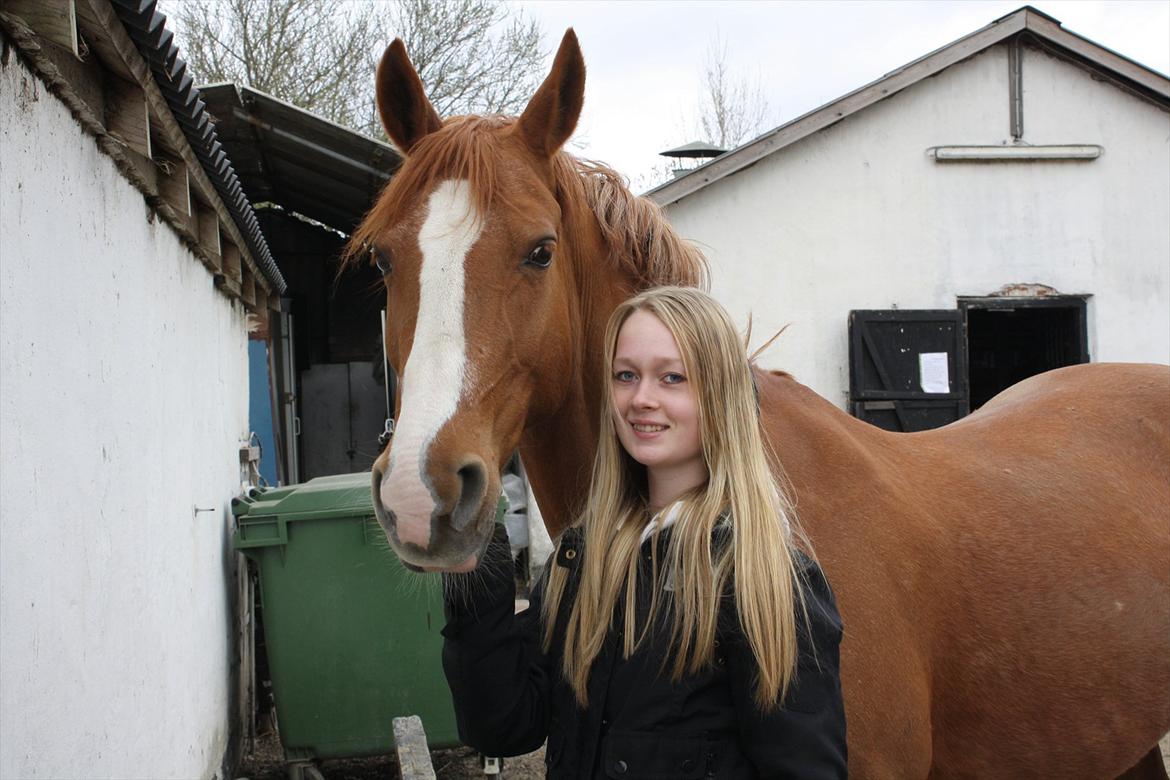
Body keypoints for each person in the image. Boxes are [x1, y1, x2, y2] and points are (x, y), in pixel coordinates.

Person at [440, 286, 847, 779]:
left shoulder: (767, 582)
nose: (641, 399)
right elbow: (505, 729)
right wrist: (474, 566)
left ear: (720, 393)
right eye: (625, 376)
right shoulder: (584, 557)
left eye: (672, 378)